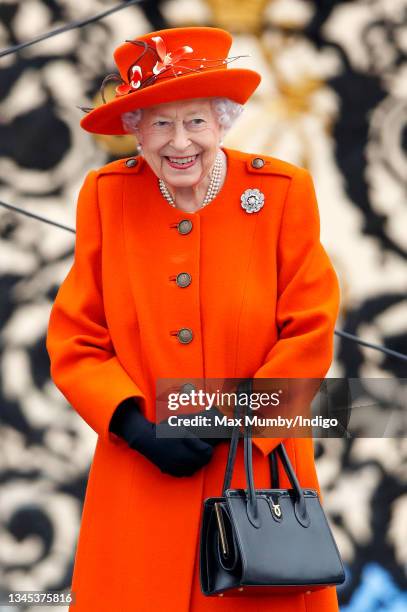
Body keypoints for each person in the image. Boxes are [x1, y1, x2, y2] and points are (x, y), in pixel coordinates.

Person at [46, 26, 341, 612]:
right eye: (159, 122)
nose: (179, 141)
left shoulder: (281, 193)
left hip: (255, 481)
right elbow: (78, 338)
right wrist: (134, 426)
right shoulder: (106, 196)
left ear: (223, 121)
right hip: (141, 476)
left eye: (196, 121)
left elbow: (309, 332)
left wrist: (234, 415)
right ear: (135, 130)